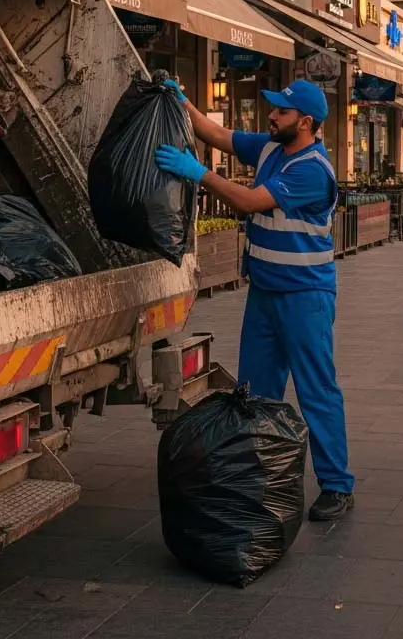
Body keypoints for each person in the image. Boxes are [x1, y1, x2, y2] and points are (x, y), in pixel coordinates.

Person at [153, 78, 355, 521]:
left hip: (305, 296)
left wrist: (199, 173)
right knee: (255, 389)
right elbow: (217, 133)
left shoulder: (312, 170)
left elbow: (248, 202)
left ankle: (337, 485)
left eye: (281, 111)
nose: (272, 116)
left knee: (316, 389)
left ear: (305, 122)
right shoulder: (269, 148)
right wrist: (180, 101)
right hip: (265, 292)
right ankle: (259, 473)